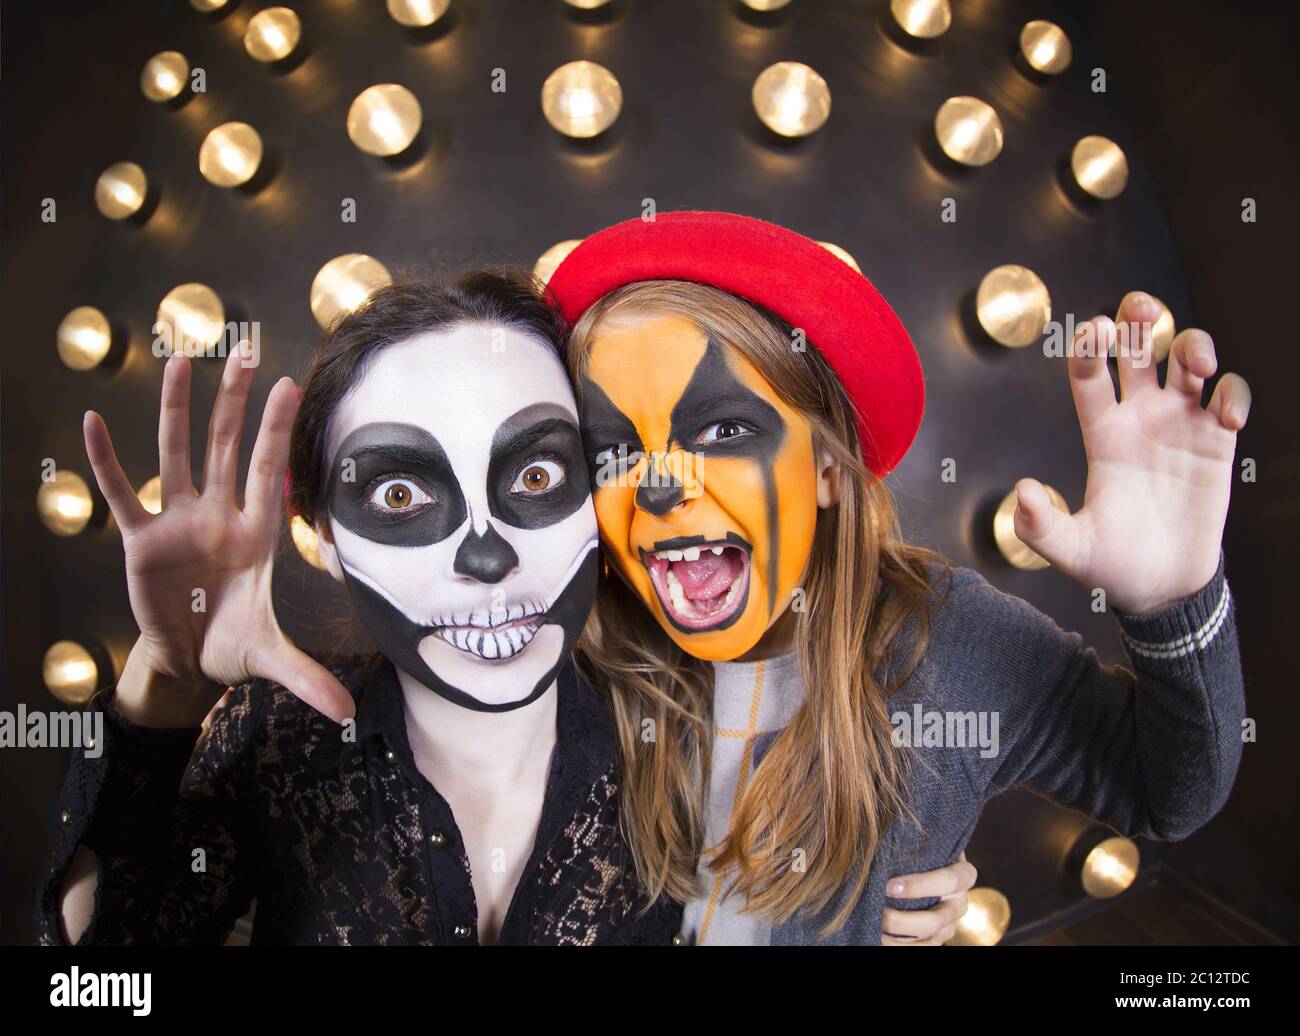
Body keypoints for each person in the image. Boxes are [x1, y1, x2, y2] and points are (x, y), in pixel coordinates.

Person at [41, 268, 968, 945]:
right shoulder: (276, 739)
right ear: (321, 533)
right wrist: (162, 678)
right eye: (402, 495)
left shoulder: (691, 724)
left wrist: (899, 898)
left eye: (534, 473)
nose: (487, 554)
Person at [546, 210, 1251, 945]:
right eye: (617, 451)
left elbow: (1165, 794)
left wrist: (1173, 603)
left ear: (825, 466)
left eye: (724, 430)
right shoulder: (591, 660)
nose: (660, 488)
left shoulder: (951, 644)